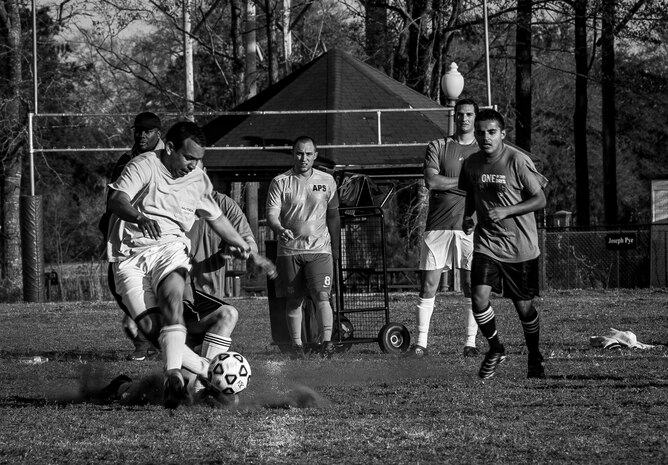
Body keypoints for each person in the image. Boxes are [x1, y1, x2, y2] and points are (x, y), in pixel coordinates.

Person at [106, 120, 252, 408]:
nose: (193, 165)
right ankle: (204, 375)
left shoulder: (196, 178)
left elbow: (217, 217)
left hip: (170, 249)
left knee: (176, 296)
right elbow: (117, 199)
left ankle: (184, 377)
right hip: (129, 258)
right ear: (170, 148)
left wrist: (241, 244)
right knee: (153, 329)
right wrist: (139, 217)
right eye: (189, 157)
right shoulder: (143, 165)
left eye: (199, 160)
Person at [458, 109, 548, 380]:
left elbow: (540, 200)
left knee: (524, 308)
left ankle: (534, 356)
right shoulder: (471, 163)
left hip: (520, 247)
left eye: (492, 132)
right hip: (487, 243)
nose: (486, 137)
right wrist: (468, 217)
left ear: (503, 134)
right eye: (481, 132)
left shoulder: (517, 161)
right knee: (478, 297)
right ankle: (496, 348)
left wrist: (507, 211)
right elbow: (472, 195)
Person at [408, 98, 481, 358]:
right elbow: (432, 181)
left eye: (469, 114)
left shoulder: (483, 149)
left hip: (470, 227)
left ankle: (470, 343)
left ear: (476, 117)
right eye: (460, 114)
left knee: (471, 285)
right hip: (437, 226)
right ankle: (420, 344)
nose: (464, 119)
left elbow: (485, 184)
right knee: (429, 285)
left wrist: (452, 182)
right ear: (454, 116)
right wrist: (466, 182)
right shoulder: (438, 145)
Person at [266, 136, 340, 358]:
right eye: (299, 153)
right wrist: (279, 229)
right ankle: (297, 346)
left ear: (315, 156)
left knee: (322, 296)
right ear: (293, 154)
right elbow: (271, 214)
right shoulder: (280, 182)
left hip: (320, 250)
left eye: (308, 154)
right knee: (294, 299)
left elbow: (334, 216)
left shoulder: (327, 181)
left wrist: (335, 249)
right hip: (290, 251)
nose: (304, 158)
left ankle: (327, 343)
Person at [100, 111, 164, 361]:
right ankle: (145, 337)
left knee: (161, 289)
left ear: (159, 132)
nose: (141, 135)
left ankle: (156, 341)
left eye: (147, 130)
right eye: (138, 130)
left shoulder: (165, 159)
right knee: (117, 286)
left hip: (156, 237)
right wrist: (105, 225)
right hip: (124, 239)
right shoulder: (125, 160)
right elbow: (114, 199)